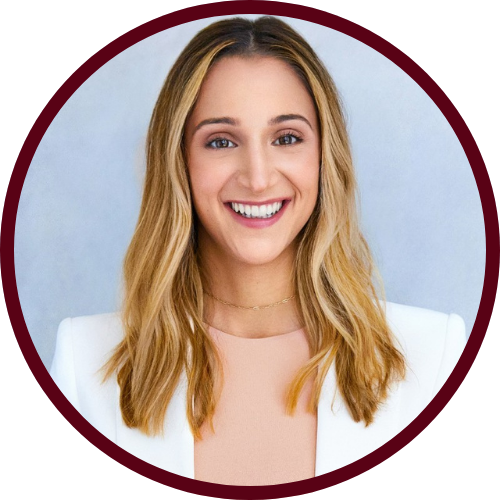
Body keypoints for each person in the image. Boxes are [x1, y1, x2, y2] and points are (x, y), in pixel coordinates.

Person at [50, 16, 466, 486]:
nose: (258, 177)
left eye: (286, 138)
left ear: (323, 156)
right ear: (179, 162)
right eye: (221, 141)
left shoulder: (436, 357)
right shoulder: (84, 364)